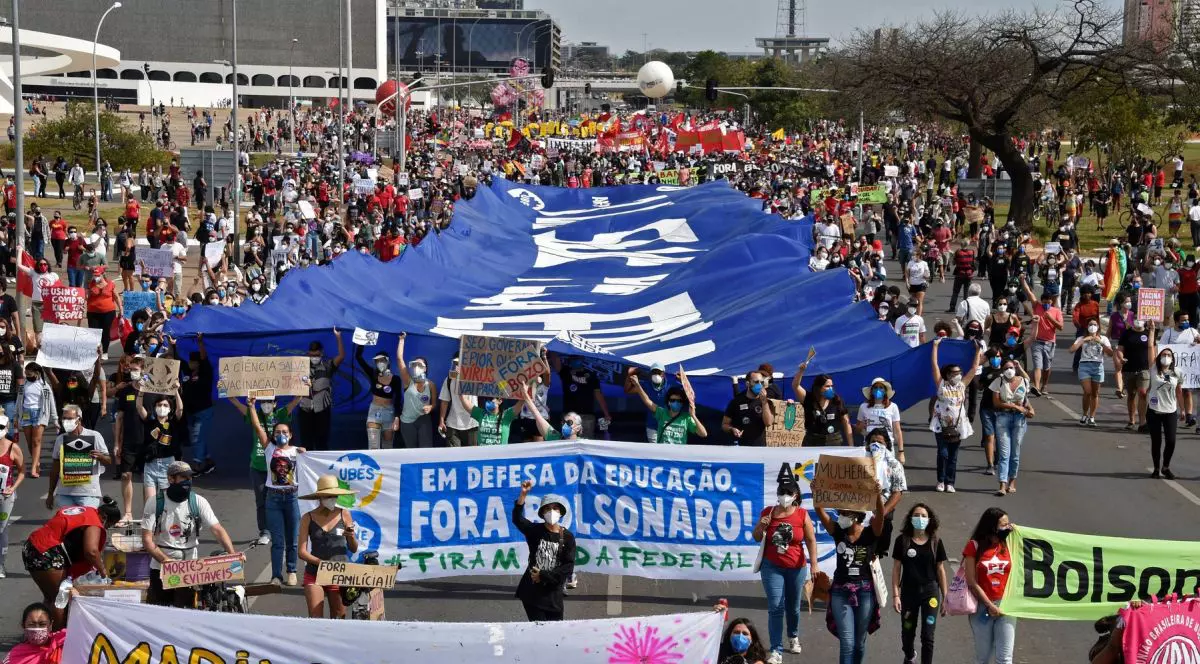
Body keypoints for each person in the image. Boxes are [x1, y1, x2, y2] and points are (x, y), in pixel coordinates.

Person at [141, 461, 235, 607]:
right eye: (183, 477)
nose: (188, 481)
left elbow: (217, 529)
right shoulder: (155, 502)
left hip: (188, 568)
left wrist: (232, 554)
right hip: (160, 568)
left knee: (184, 612)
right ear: (171, 479)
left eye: (190, 478)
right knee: (159, 611)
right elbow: (147, 540)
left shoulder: (198, 502)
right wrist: (165, 561)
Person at [815, 482, 886, 664]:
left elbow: (881, 517)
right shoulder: (838, 532)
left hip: (865, 592)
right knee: (847, 643)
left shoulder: (871, 533)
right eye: (840, 513)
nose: (841, 516)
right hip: (840, 591)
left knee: (859, 642)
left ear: (856, 515)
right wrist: (817, 492)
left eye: (845, 513)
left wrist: (877, 495)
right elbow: (820, 511)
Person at [23, 498, 120, 629]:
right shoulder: (94, 521)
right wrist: (103, 571)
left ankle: (42, 634)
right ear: (105, 517)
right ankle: (57, 638)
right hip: (47, 553)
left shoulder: (86, 511)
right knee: (60, 599)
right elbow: (91, 551)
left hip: (33, 546)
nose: (107, 528)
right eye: (109, 525)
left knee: (50, 597)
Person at [752, 479, 817, 664]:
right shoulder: (768, 512)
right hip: (771, 567)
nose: (784, 496)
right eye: (781, 492)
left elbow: (811, 540)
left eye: (788, 493)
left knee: (793, 608)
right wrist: (761, 526)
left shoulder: (802, 515)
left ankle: (793, 635)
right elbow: (756, 537)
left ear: (795, 496)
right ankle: (776, 650)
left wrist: (814, 564)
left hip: (796, 568)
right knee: (775, 607)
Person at [227, 393, 300, 547]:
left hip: (277, 466)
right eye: (263, 401)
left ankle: (284, 529)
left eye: (270, 401)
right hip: (258, 466)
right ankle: (265, 531)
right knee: (261, 501)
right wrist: (230, 393)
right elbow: (237, 405)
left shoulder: (280, 414)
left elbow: (296, 401)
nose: (266, 404)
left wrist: (301, 388)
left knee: (282, 499)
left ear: (275, 403)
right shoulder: (255, 414)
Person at [249, 393, 305, 586]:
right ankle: (275, 576)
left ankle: (291, 570)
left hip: (291, 498)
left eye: (284, 432)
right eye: (277, 432)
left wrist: (305, 453)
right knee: (277, 540)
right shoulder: (269, 449)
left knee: (293, 539)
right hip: (273, 499)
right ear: (273, 435)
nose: (281, 435)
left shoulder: (297, 452)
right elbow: (257, 426)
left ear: (290, 435)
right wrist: (251, 406)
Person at [890, 503, 948, 664]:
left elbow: (940, 570)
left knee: (928, 636)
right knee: (907, 633)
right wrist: (896, 595)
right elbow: (896, 569)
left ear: (929, 520)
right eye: (916, 515)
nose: (920, 518)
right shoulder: (902, 541)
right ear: (910, 518)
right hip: (909, 594)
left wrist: (946, 597)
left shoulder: (936, 541)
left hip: (931, 594)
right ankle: (910, 655)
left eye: (923, 516)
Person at [512, 479, 576, 621]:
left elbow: (568, 566)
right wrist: (523, 495)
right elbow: (517, 519)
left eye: (555, 508)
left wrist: (544, 575)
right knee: (539, 632)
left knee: (555, 634)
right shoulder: (534, 531)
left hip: (553, 595)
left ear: (561, 512)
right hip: (532, 593)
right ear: (542, 513)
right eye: (547, 508)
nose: (551, 512)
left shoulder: (568, 537)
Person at [298, 474, 358, 618]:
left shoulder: (345, 514)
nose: (332, 499)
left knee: (339, 617)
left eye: (334, 496)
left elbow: (354, 548)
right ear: (320, 497)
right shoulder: (308, 517)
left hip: (339, 573)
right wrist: (322, 564)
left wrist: (350, 537)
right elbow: (302, 552)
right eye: (328, 496)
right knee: (315, 617)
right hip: (314, 573)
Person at [964, 507, 1016, 664]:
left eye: (1008, 524)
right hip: (982, 607)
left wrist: (1017, 534)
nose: (1007, 527)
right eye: (1003, 524)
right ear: (991, 526)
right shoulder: (974, 546)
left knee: (1005, 659)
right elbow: (971, 581)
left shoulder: (1011, 544)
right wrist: (989, 605)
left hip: (1006, 606)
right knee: (983, 658)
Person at [931, 339, 979, 492]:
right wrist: (935, 346)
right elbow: (934, 366)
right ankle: (941, 480)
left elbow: (974, 368)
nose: (958, 375)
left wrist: (977, 351)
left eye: (959, 373)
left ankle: (950, 482)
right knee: (943, 453)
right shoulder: (941, 385)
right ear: (948, 374)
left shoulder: (962, 385)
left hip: (958, 425)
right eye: (955, 373)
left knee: (953, 456)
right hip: (941, 424)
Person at [46, 404, 110, 509]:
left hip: (88, 493)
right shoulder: (60, 439)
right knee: (68, 524)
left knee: (86, 523)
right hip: (65, 494)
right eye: (64, 418)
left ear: (78, 420)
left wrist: (100, 457)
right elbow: (55, 469)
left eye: (70, 419)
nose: (66, 421)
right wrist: (50, 494)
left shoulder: (94, 436)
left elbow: (108, 460)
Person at [627, 368, 708, 444]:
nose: (676, 402)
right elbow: (648, 401)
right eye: (673, 400)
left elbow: (703, 434)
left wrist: (693, 416)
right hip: (662, 456)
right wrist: (637, 385)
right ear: (668, 402)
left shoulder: (686, 418)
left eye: (679, 401)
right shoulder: (662, 413)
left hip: (678, 456)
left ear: (682, 403)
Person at [990, 358, 1033, 496]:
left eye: (1011, 367)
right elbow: (996, 403)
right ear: (1002, 370)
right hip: (1003, 418)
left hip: (1019, 420)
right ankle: (1002, 484)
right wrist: (1014, 406)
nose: (1009, 370)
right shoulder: (999, 382)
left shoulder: (1023, 381)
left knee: (1015, 453)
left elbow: (1026, 400)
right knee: (1004, 453)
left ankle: (1012, 481)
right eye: (1006, 368)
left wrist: (1030, 409)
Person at [134, 386, 185, 501]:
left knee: (166, 501)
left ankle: (164, 519)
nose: (162, 407)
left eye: (165, 405)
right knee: (150, 501)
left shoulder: (173, 423)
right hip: (151, 464)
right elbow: (139, 407)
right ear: (155, 407)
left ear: (170, 409)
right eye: (159, 405)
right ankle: (151, 518)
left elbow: (180, 410)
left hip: (167, 464)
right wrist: (141, 391)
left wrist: (175, 391)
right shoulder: (149, 421)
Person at [1145, 323, 1181, 479]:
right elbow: (1150, 347)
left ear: (1172, 359)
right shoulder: (1153, 369)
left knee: (1171, 441)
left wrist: (1184, 410)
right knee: (1156, 441)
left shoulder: (1177, 372)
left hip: (1171, 410)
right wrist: (1152, 331)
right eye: (1163, 355)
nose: (1166, 357)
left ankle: (1166, 466)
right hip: (1154, 410)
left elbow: (1179, 390)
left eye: (1169, 355)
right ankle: (1156, 468)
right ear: (1159, 357)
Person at [298, 329, 344, 452]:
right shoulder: (300, 367)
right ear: (308, 353)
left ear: (321, 354)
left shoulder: (328, 366)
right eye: (312, 355)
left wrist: (338, 337)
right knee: (306, 442)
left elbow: (341, 356)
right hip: (305, 408)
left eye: (316, 355)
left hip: (322, 409)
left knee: (322, 442)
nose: (314, 357)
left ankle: (320, 468)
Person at [551, 353, 612, 438]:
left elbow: (599, 395)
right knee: (568, 441)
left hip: (587, 415)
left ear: (582, 358)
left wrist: (606, 414)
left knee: (587, 442)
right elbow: (555, 358)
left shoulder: (591, 375)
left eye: (577, 358)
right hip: (569, 415)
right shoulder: (565, 372)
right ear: (570, 360)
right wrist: (550, 349)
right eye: (573, 358)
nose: (575, 360)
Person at [355, 339, 399, 449]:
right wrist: (362, 340)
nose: (380, 363)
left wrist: (397, 417)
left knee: (388, 446)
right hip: (374, 411)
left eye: (382, 360)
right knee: (373, 446)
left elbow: (398, 398)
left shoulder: (396, 379)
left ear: (388, 361)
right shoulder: (373, 374)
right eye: (377, 361)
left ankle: (387, 467)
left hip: (389, 412)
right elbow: (358, 358)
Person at [1069, 317, 1113, 426]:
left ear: (1098, 327)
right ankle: (1084, 414)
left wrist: (1101, 343)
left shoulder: (1103, 338)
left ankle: (1092, 417)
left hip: (1098, 366)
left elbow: (1111, 353)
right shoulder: (1081, 338)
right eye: (1090, 325)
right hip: (1084, 365)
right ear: (1087, 327)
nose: (1092, 326)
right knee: (1087, 391)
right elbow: (1071, 350)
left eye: (1094, 324)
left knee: (1095, 393)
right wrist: (1084, 340)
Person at [395, 333, 435, 448]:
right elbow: (399, 359)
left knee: (426, 448)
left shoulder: (431, 384)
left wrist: (431, 407)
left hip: (423, 419)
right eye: (414, 364)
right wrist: (402, 340)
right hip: (407, 421)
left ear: (425, 368)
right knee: (411, 449)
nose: (416, 367)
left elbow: (435, 404)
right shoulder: (408, 381)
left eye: (419, 364)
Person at [19, 362, 57, 479]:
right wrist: (16, 416)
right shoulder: (23, 385)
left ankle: (33, 467)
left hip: (39, 414)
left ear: (37, 373)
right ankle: (37, 462)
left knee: (36, 441)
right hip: (25, 413)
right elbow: (19, 400)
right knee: (30, 442)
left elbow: (51, 403)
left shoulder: (44, 386)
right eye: (26, 373)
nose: (27, 376)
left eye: (29, 374)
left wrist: (55, 419)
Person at [794, 371, 851, 447]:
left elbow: (846, 422)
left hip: (834, 441)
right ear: (819, 388)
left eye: (832, 386)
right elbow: (795, 386)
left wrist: (851, 445)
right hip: (812, 441)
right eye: (827, 386)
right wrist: (801, 370)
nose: (831, 389)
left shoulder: (837, 401)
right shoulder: (808, 399)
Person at [1115, 317, 1151, 431]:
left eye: (1141, 319)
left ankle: (1142, 422)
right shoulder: (1127, 333)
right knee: (1131, 395)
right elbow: (1120, 349)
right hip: (1129, 369)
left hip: (1144, 369)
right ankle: (1131, 420)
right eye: (1136, 318)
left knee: (1143, 393)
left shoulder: (1149, 333)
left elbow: (1153, 349)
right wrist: (1121, 357)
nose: (1138, 321)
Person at [723, 367, 775, 446]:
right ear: (748, 384)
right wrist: (732, 429)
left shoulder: (766, 401)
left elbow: (768, 423)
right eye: (756, 382)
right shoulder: (736, 402)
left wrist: (764, 402)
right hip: (741, 447)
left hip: (760, 448)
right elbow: (724, 425)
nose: (760, 385)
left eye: (761, 382)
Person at [854, 378, 904, 460]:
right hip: (868, 445)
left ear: (885, 391)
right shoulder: (863, 407)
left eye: (881, 387)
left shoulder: (893, 407)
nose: (878, 390)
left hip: (887, 445)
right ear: (871, 390)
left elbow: (897, 431)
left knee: (887, 472)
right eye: (875, 387)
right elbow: (857, 430)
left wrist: (901, 452)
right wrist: (861, 426)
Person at [627, 363, 677, 443]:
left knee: (668, 451)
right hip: (652, 426)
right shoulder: (646, 385)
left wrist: (683, 380)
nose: (656, 375)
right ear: (650, 374)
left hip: (669, 425)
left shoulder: (671, 384)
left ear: (663, 374)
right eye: (654, 372)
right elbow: (628, 390)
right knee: (656, 452)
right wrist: (629, 376)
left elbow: (688, 393)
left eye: (658, 372)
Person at [438, 352, 480, 447]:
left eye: (461, 363)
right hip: (453, 424)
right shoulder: (449, 379)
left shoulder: (475, 377)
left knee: (472, 457)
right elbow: (444, 401)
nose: (458, 365)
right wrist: (441, 420)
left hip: (472, 424)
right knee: (454, 456)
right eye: (456, 363)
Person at [0, 418, 23, 578]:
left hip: (5, 496)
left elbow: (22, 471)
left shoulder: (13, 448)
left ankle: (0, 564)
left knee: (1, 530)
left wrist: (13, 488)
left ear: (6, 428)